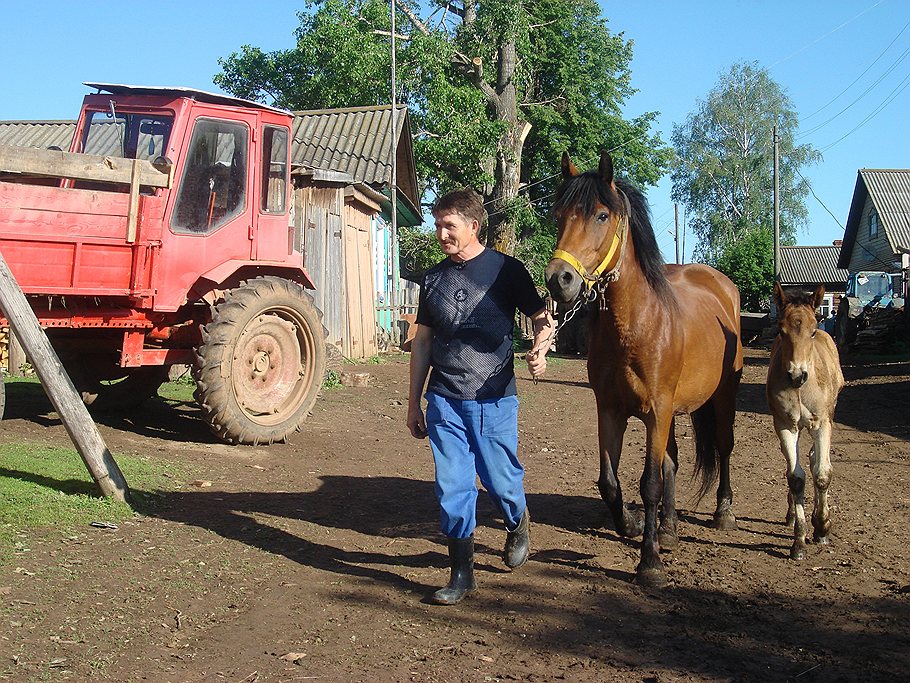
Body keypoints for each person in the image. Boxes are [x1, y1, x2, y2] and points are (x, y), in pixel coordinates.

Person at [407, 188, 553, 605]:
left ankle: (517, 521)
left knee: (501, 482)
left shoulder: (508, 270)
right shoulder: (433, 278)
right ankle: (461, 573)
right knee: (452, 485)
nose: (441, 233)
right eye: (437, 225)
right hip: (445, 399)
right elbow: (423, 343)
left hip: (494, 397)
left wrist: (540, 348)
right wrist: (414, 401)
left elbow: (541, 319)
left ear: (473, 226)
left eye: (449, 225)